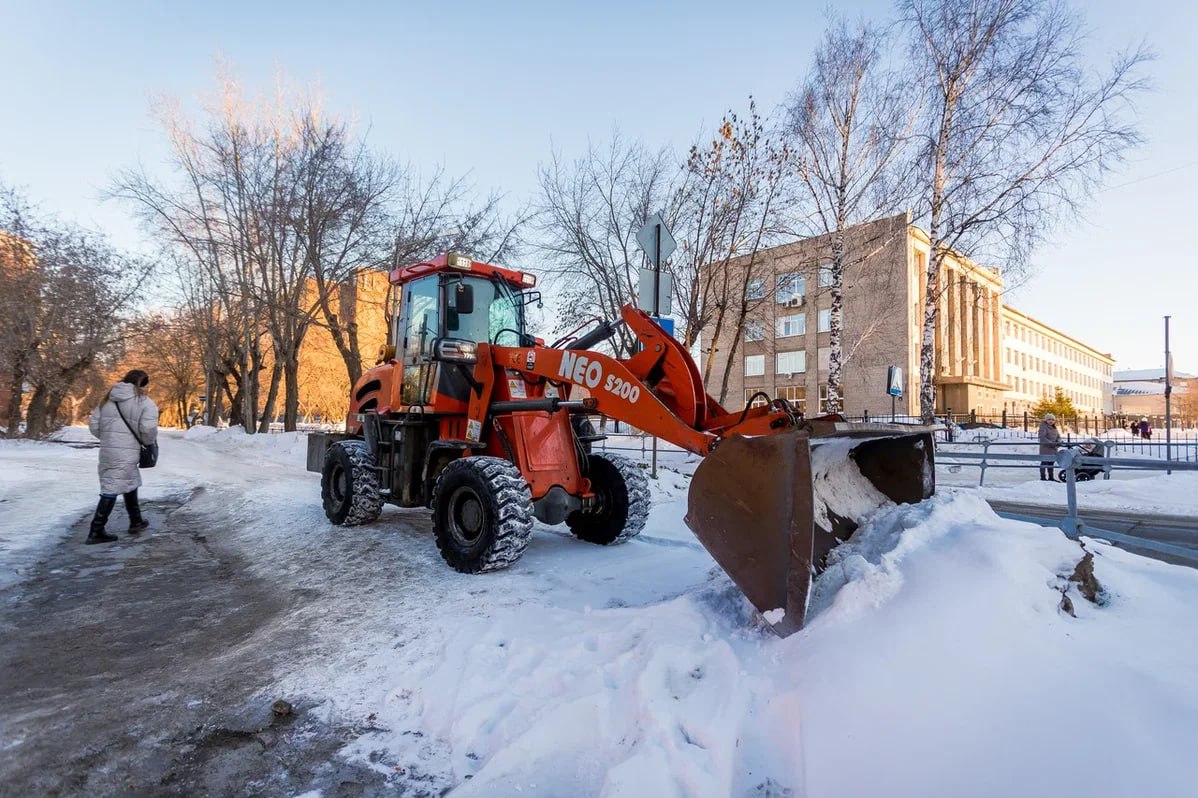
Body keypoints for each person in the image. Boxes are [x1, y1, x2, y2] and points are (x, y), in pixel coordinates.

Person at [86, 370, 159, 544]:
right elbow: (148, 430)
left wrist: (109, 438)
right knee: (112, 487)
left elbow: (94, 425)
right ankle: (96, 530)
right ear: (142, 384)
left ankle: (136, 521)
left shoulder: (107, 400)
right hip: (127, 450)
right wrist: (146, 442)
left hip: (108, 450)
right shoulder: (144, 403)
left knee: (128, 480)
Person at [1038, 412, 1060, 481]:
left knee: (1051, 463)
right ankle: (1043, 477)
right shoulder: (1043, 426)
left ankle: (1051, 477)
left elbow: (1058, 436)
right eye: (1049, 419)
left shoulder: (1054, 427)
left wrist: (1058, 441)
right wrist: (1051, 443)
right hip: (1046, 448)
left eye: (1053, 420)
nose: (1051, 421)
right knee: (1044, 462)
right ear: (1046, 420)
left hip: (1053, 448)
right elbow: (1042, 437)